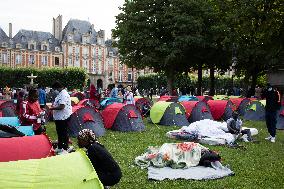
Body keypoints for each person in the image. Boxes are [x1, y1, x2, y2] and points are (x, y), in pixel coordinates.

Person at [49, 81, 72, 154]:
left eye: (54, 88)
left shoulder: (64, 94)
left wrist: (52, 108)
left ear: (57, 87)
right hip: (59, 117)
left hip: (63, 117)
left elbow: (62, 106)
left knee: (63, 133)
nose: (54, 90)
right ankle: (59, 147)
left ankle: (65, 148)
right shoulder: (60, 94)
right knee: (59, 133)